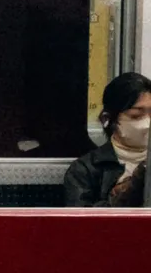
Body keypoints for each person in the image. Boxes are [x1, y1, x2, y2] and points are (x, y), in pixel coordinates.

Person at [65, 71, 151, 207]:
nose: (147, 123)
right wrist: (134, 184)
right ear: (107, 119)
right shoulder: (85, 170)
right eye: (136, 116)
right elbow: (82, 224)